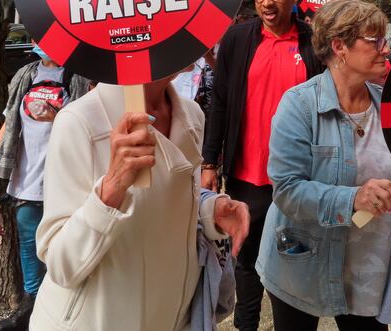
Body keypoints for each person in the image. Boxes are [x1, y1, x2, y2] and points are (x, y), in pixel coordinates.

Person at [257, 0, 391, 331]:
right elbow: (287, 190)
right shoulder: (300, 104)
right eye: (375, 41)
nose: (386, 49)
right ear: (339, 46)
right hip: (302, 261)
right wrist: (352, 198)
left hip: (369, 266)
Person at [30, 75, 250, 330]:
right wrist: (112, 188)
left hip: (172, 318)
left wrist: (210, 210)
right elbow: (61, 265)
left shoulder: (191, 114)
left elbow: (164, 206)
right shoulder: (78, 122)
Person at [201, 0, 324, 331]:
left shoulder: (313, 43)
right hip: (247, 173)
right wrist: (210, 161)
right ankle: (246, 324)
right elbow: (219, 101)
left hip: (298, 177)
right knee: (245, 254)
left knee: (294, 255)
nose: (267, 3)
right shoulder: (239, 39)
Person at [0, 45, 91, 331]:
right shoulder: (26, 75)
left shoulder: (82, 78)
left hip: (67, 180)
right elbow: (9, 123)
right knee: (29, 244)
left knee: (65, 245)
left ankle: (65, 307)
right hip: (26, 181)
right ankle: (31, 308)